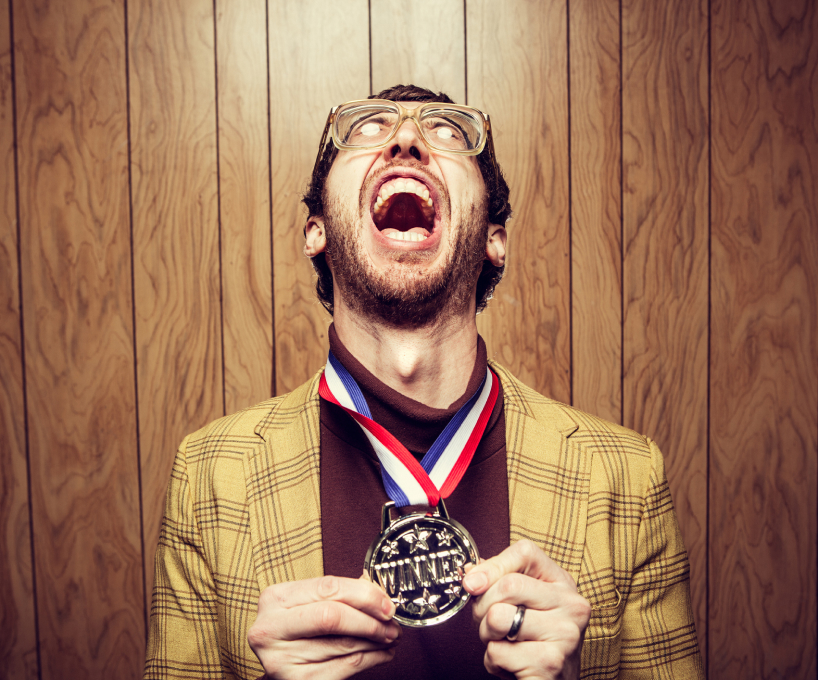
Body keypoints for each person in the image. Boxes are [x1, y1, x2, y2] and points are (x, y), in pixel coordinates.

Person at [144, 84, 703, 680]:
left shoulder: (626, 478)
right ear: (317, 231)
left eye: (447, 132)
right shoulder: (208, 477)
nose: (405, 139)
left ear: (495, 238)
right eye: (365, 129)